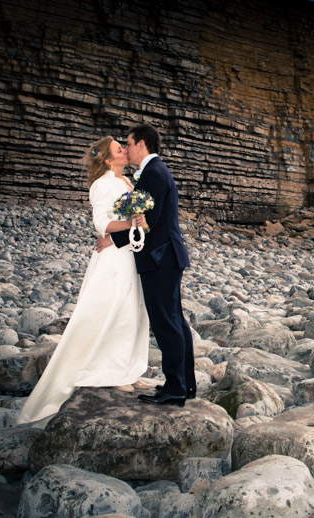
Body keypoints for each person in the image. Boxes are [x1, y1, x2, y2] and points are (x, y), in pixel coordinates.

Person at [17, 136, 151, 426]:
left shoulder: (127, 182)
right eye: (119, 149)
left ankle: (129, 369)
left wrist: (139, 220)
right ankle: (110, 371)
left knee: (133, 311)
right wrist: (131, 222)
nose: (125, 151)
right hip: (114, 259)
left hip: (129, 253)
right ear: (107, 159)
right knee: (114, 309)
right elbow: (102, 223)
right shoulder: (102, 184)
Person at [97, 123, 195, 407]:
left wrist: (112, 239)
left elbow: (147, 222)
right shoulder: (156, 170)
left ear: (142, 144)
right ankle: (185, 385)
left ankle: (176, 386)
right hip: (167, 257)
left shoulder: (152, 173)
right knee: (175, 320)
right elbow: (146, 219)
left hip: (160, 258)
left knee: (166, 323)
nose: (126, 149)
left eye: (128, 143)